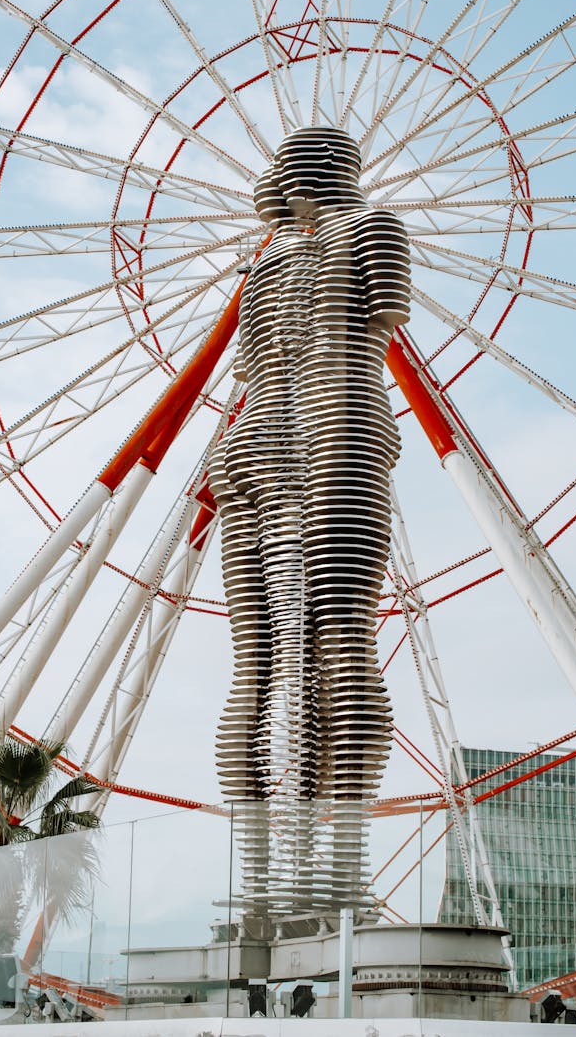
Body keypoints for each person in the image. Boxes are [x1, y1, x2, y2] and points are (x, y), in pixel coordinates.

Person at [210, 126, 411, 914]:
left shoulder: (265, 270)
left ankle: (261, 890)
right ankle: (336, 876)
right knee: (339, 644)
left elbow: (254, 366)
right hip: (339, 427)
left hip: (251, 442)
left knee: (257, 660)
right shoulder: (368, 233)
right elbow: (383, 320)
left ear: (298, 174)